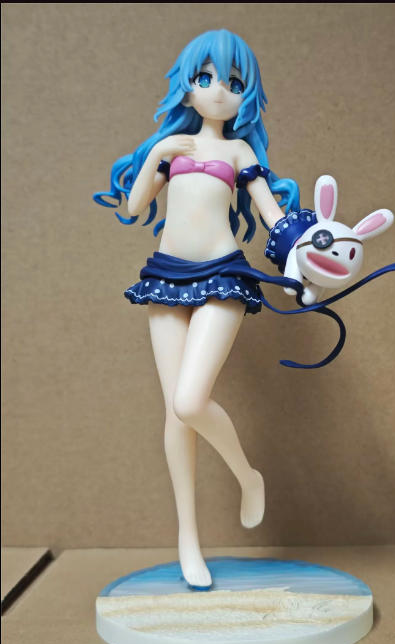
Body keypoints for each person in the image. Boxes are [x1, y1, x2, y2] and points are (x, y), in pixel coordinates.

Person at [94, 29, 300, 589]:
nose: (218, 91)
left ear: (246, 95)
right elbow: (134, 207)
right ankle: (188, 537)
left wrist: (306, 254)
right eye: (205, 78)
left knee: (190, 401)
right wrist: (158, 155)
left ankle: (247, 476)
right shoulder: (173, 148)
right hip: (166, 277)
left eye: (233, 82)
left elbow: (273, 216)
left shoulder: (240, 152)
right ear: (185, 86)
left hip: (223, 274)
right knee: (175, 413)